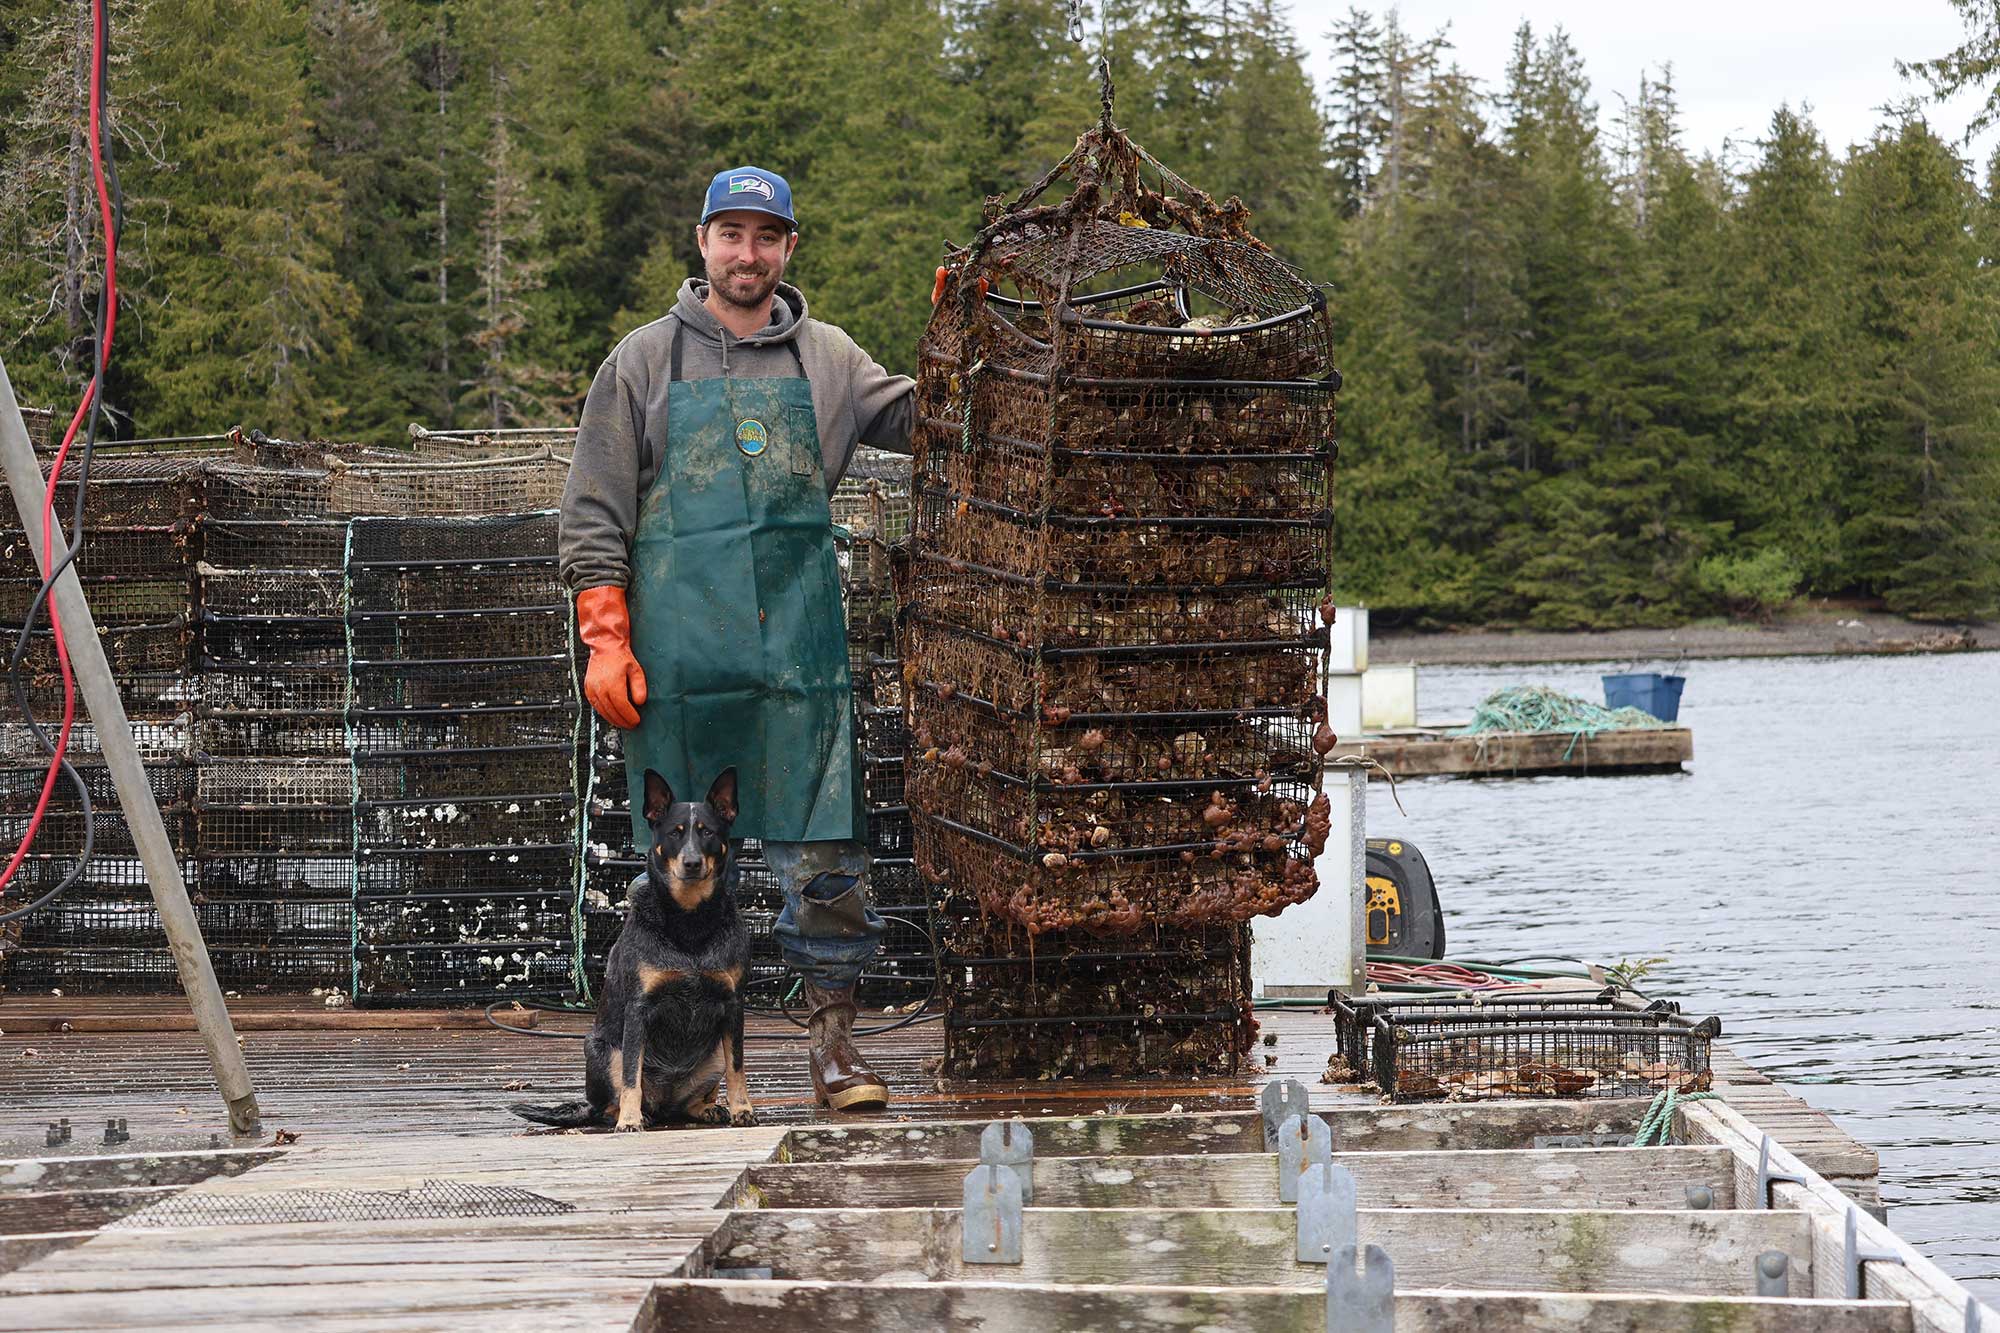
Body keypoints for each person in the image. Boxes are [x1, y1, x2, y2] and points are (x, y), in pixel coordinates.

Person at [559, 165, 914, 1113]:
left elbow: (932, 418)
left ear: (789, 247)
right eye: (731, 234)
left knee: (828, 855)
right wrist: (604, 633)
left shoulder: (830, 359)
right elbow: (594, 507)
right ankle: (673, 1069)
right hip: (678, 670)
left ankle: (834, 1049)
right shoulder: (641, 361)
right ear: (702, 240)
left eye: (766, 235)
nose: (746, 253)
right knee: (679, 865)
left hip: (798, 668)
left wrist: (973, 350)